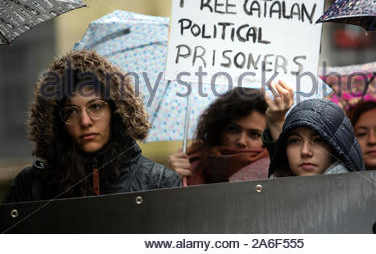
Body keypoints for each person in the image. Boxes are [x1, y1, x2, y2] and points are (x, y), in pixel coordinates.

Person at [2, 50, 180, 203]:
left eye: (95, 106)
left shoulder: (158, 183)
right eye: (71, 111)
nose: (85, 121)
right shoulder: (32, 186)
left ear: (116, 111)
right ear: (55, 121)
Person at [168, 82, 292, 185]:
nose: (241, 141)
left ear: (266, 139)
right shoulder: (190, 165)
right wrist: (168, 180)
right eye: (233, 129)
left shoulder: (278, 172)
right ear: (218, 129)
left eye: (254, 134)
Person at [269, 99, 365, 177]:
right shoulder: (269, 195)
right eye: (295, 141)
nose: (305, 152)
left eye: (318, 140)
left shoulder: (362, 197)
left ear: (336, 148)